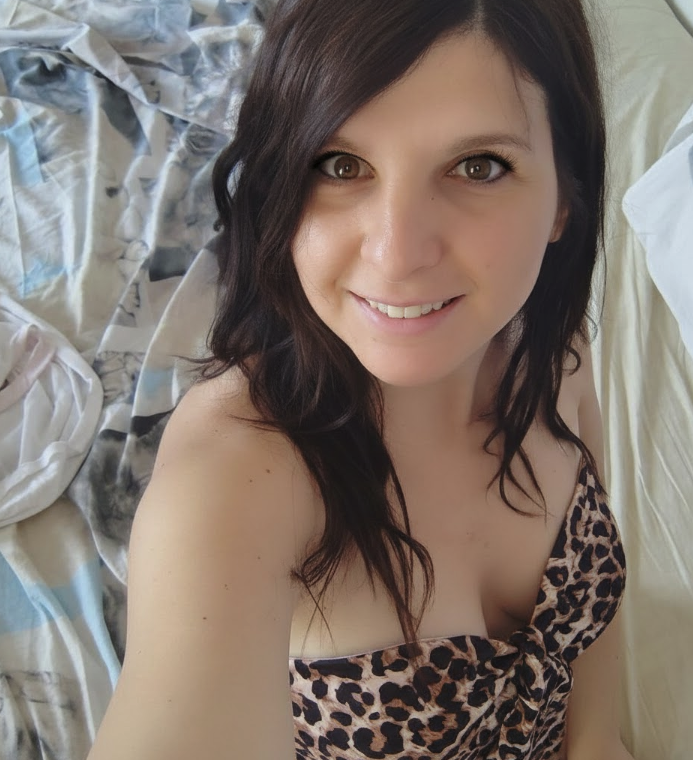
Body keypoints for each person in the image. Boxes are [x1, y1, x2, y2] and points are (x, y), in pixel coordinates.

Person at [87, 0, 633, 758]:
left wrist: (602, 743)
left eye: (478, 166)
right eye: (340, 166)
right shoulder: (238, 477)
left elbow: (590, 664)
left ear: (564, 201)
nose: (396, 254)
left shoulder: (555, 354)